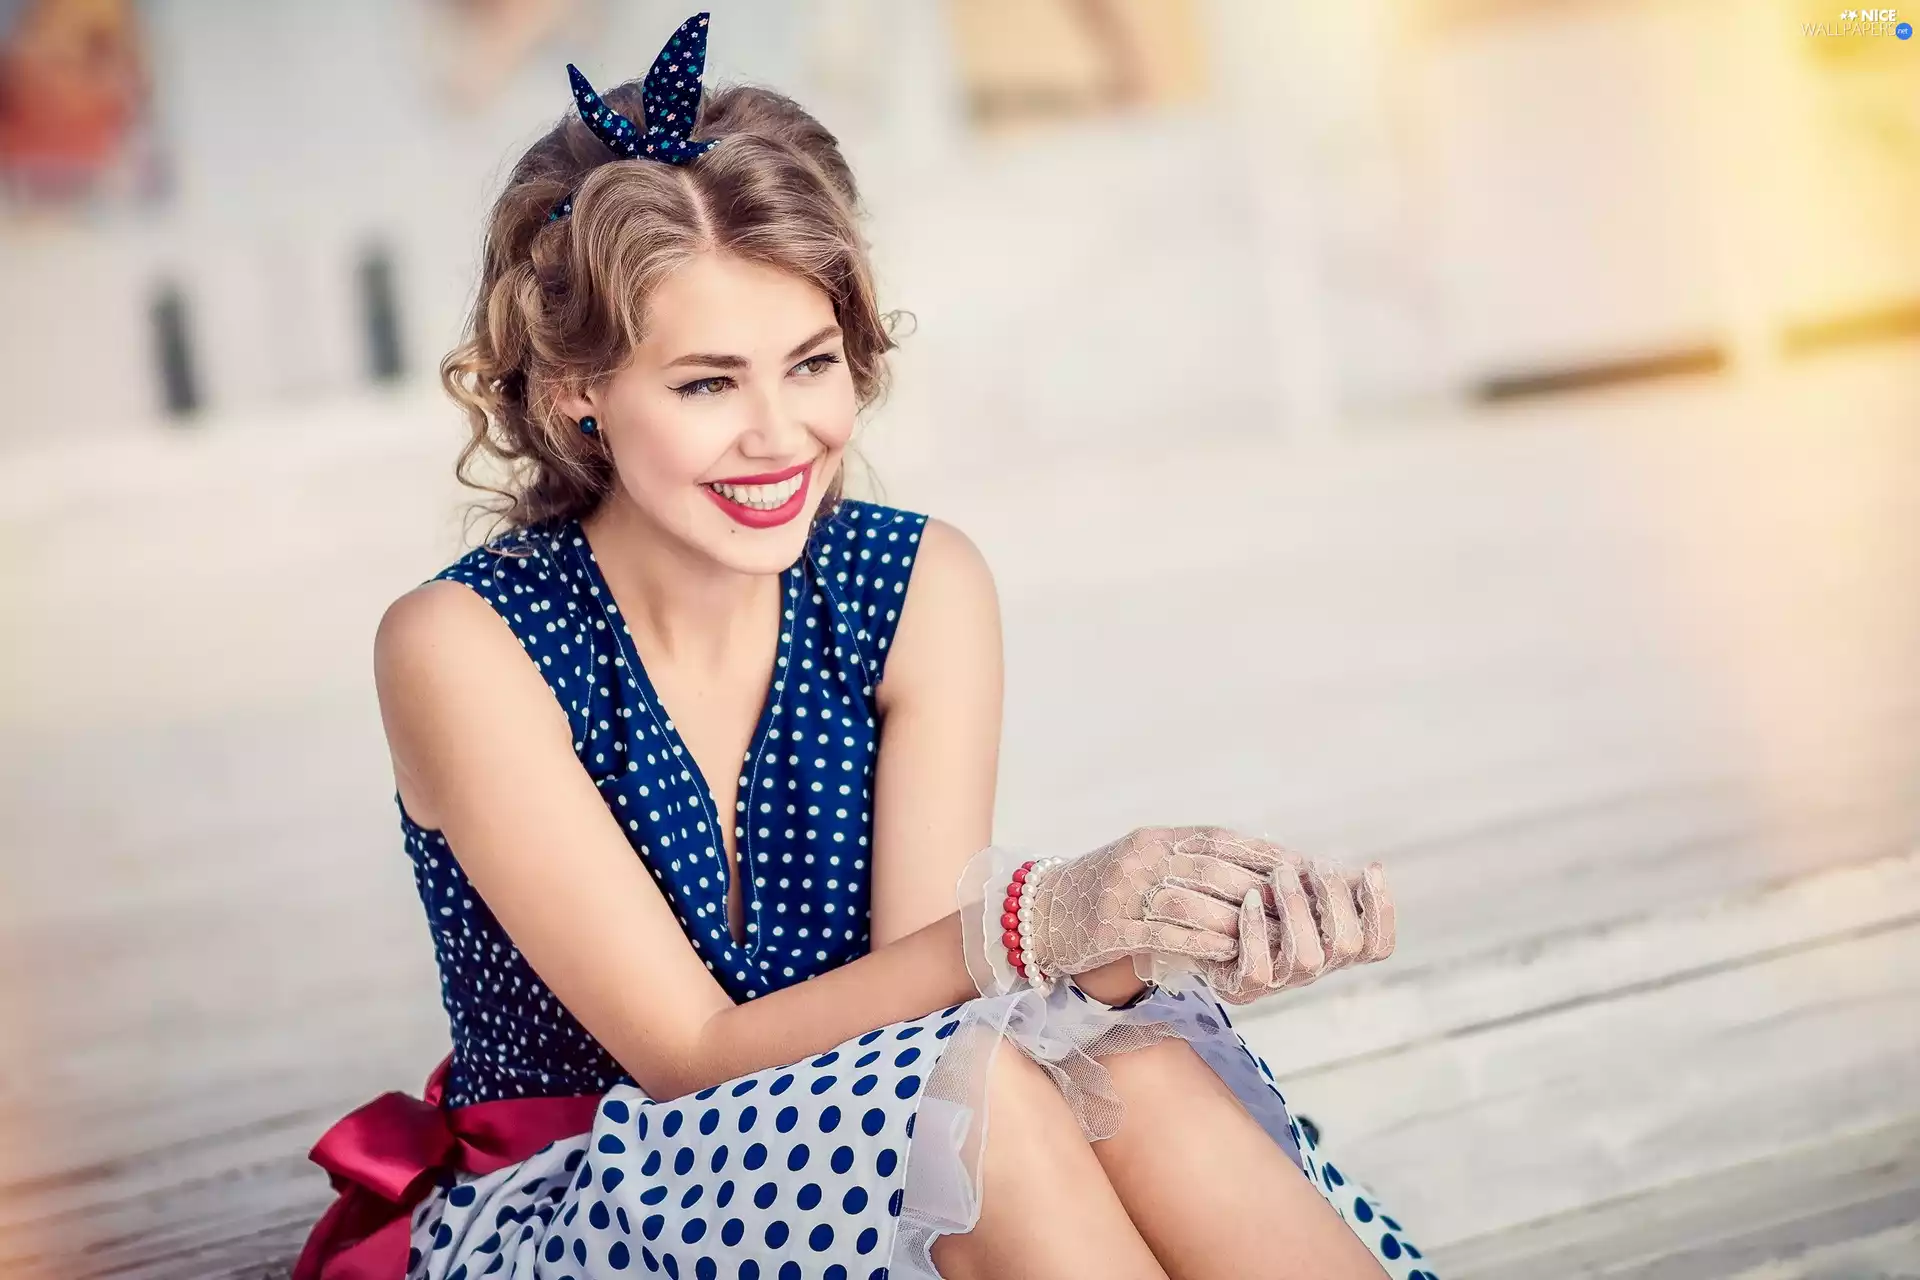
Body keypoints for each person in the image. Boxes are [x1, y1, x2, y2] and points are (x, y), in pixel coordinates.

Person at [293, 14, 1439, 1280]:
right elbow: (688, 1051)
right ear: (577, 389)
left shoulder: (914, 583)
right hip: (591, 1191)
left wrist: (1148, 930)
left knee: (1134, 1062)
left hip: (864, 1123)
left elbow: (938, 997)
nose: (781, 435)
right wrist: (1041, 912)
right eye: (707, 383)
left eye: (812, 362)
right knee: (989, 1099)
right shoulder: (466, 644)